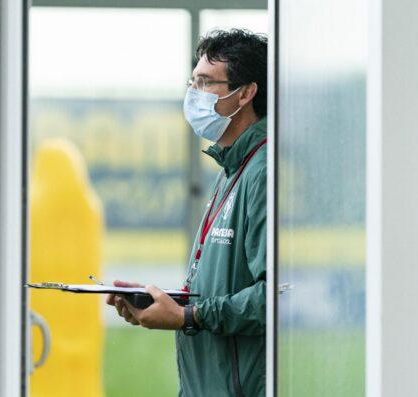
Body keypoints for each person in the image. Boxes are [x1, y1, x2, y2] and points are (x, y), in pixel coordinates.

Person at [106, 29, 268, 397]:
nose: (193, 94)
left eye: (206, 82)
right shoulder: (231, 167)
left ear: (245, 93)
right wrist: (160, 301)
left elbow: (272, 297)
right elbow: (222, 289)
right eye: (192, 81)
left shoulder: (262, 170)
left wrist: (187, 317)